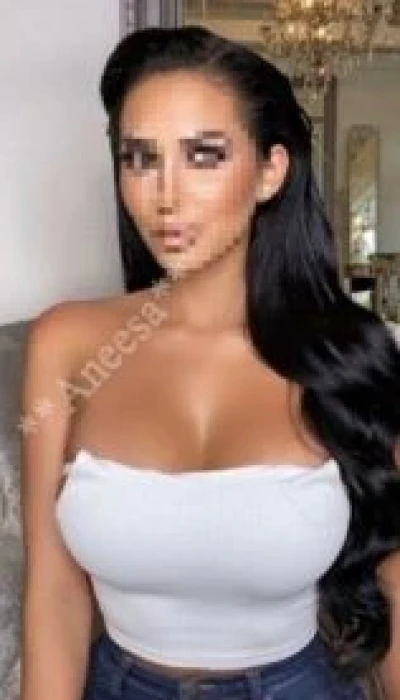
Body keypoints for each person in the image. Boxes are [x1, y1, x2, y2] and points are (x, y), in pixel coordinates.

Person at [19, 25, 400, 700]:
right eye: (140, 158)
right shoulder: (67, 345)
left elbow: (394, 585)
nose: (165, 195)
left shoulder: (350, 354)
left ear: (271, 171)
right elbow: (54, 592)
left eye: (204, 156)